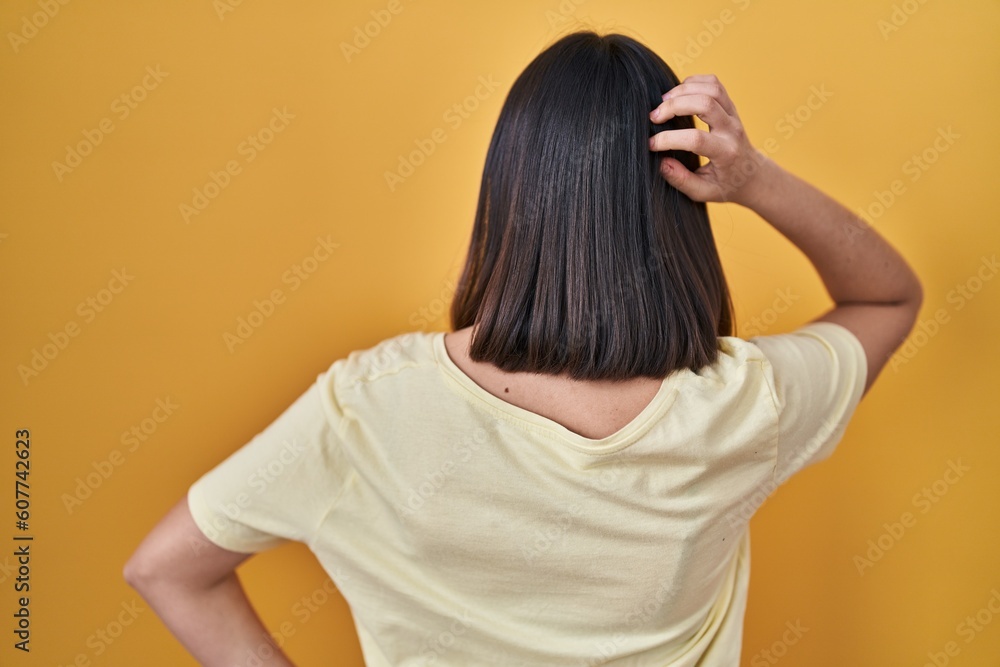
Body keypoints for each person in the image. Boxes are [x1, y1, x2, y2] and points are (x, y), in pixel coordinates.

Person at [123, 30, 922, 666]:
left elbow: (165, 569)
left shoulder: (365, 405)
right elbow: (887, 296)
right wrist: (753, 178)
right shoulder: (745, 405)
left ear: (508, 193)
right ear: (675, 207)